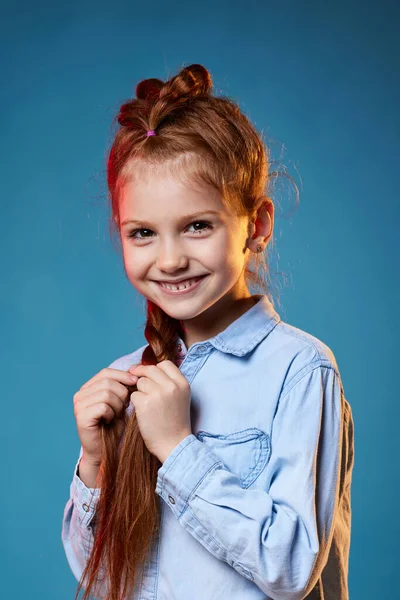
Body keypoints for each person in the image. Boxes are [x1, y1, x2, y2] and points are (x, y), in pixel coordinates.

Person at [61, 63, 354, 600]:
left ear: (257, 226)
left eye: (198, 225)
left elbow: (291, 568)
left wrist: (178, 449)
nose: (170, 259)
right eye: (143, 233)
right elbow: (100, 579)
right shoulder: (133, 378)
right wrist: (96, 466)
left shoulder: (299, 370)